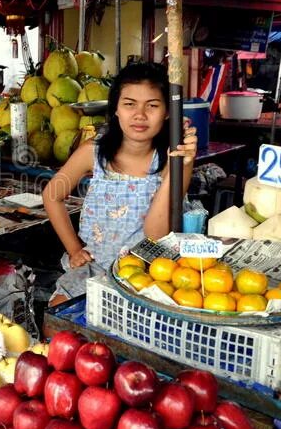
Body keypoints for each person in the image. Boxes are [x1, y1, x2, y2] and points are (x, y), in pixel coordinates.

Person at [43, 62, 198, 306]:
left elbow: (155, 234)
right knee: (57, 313)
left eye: (153, 106)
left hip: (150, 271)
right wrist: (74, 250)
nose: (140, 115)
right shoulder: (92, 152)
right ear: (116, 108)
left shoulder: (172, 159)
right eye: (129, 104)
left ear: (167, 112)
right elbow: (52, 195)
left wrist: (181, 163)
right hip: (96, 265)